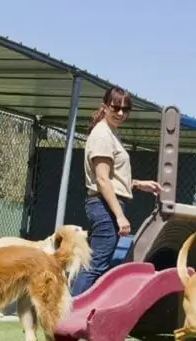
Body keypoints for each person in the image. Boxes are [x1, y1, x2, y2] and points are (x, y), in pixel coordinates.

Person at [69, 86, 162, 296]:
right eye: (116, 107)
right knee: (96, 266)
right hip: (104, 208)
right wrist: (120, 216)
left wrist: (137, 184)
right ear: (105, 106)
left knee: (94, 264)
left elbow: (111, 178)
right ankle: (68, 318)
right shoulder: (102, 135)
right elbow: (102, 180)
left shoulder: (111, 133)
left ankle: (74, 315)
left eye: (125, 109)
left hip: (106, 204)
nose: (120, 113)